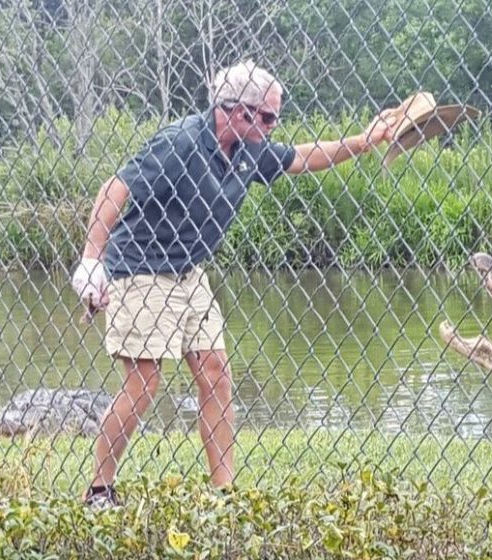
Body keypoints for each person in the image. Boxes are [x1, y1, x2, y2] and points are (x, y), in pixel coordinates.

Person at [70, 60, 401, 508]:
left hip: (190, 273)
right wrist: (91, 261)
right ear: (230, 109)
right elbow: (115, 189)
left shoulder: (250, 148)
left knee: (216, 375)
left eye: (274, 118)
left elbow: (302, 156)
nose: (270, 126)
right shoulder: (182, 142)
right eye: (263, 116)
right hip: (141, 268)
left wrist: (363, 142)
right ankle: (99, 490)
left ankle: (223, 493)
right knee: (144, 386)